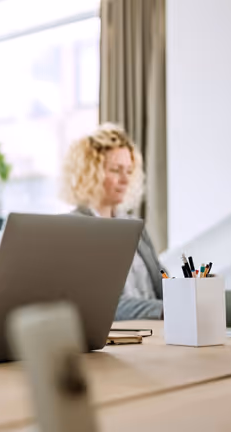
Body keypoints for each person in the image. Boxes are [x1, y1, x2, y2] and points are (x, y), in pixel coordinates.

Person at [61, 123, 164, 320]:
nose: (125, 179)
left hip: (159, 333)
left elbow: (162, 283)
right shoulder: (75, 228)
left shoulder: (135, 227)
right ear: (90, 172)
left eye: (129, 170)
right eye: (116, 170)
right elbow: (98, 304)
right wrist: (163, 309)